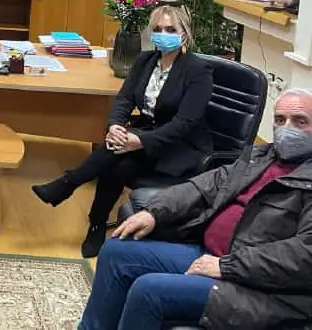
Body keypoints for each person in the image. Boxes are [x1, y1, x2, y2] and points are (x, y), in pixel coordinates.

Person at [79, 88, 312, 330]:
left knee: (148, 289)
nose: (287, 129)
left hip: (257, 287)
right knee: (115, 252)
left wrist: (227, 266)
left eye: (300, 121)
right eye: (280, 120)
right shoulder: (261, 156)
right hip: (211, 256)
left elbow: (305, 254)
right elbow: (206, 185)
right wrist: (154, 211)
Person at [32, 5, 213, 257]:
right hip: (146, 134)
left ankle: (68, 185)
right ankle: (95, 224)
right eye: (158, 29)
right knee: (116, 159)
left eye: (171, 30)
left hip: (178, 146)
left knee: (116, 158)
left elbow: (184, 123)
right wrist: (115, 125)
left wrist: (141, 140)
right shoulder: (145, 61)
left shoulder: (197, 70)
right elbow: (124, 99)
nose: (163, 34)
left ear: (185, 33)